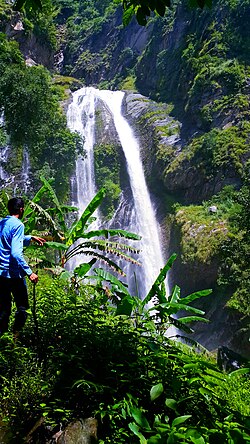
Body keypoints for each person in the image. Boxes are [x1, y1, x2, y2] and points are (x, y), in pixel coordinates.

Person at [0, 197, 46, 336]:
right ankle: (15, 340)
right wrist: (29, 272)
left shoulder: (2, 223)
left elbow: (7, 238)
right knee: (22, 309)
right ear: (21, 209)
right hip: (14, 274)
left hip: (1, 274)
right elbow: (15, 252)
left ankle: (3, 342)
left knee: (3, 310)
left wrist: (29, 237)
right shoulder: (19, 225)